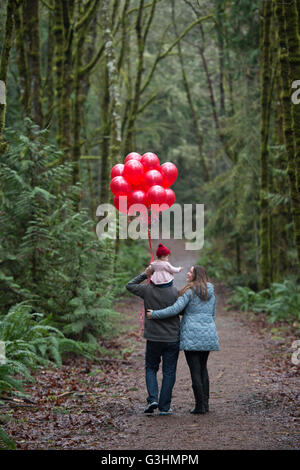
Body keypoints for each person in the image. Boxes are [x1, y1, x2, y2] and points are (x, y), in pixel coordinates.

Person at [147, 265, 219, 415]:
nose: (187, 273)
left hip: (191, 334)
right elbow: (212, 314)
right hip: (208, 332)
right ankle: (205, 404)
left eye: (191, 272)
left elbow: (174, 309)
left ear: (196, 275)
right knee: (203, 368)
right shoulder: (211, 292)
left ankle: (199, 406)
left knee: (195, 371)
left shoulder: (190, 292)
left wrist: (155, 314)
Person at [126, 248, 181, 416]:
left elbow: (129, 285)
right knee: (169, 371)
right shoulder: (176, 292)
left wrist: (145, 273)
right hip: (172, 338)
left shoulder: (147, 290)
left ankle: (152, 399)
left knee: (151, 368)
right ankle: (164, 407)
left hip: (153, 338)